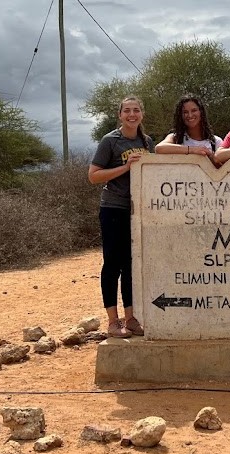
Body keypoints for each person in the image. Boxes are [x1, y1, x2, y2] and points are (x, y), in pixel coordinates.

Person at [87, 96, 154, 338]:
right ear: (120, 115)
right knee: (112, 264)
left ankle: (131, 318)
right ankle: (113, 321)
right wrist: (126, 167)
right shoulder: (110, 141)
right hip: (113, 208)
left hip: (136, 212)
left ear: (142, 114)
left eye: (136, 110)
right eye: (127, 111)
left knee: (131, 265)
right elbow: (93, 176)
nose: (132, 115)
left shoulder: (146, 142)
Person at [155, 94, 223, 165]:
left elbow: (225, 169)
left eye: (194, 110)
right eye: (185, 112)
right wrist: (192, 150)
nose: (190, 115)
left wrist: (210, 156)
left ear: (201, 112)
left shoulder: (215, 142)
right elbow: (159, 148)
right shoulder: (176, 138)